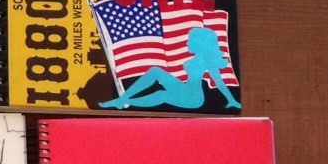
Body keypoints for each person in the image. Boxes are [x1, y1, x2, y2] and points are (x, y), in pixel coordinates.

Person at [100, 26, 240, 111]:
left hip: (193, 99)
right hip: (185, 90)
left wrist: (232, 100)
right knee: (155, 71)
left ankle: (124, 101)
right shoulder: (197, 60)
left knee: (162, 95)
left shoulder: (206, 61)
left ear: (199, 43)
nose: (187, 42)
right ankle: (123, 98)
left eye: (190, 40)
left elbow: (219, 82)